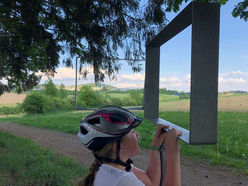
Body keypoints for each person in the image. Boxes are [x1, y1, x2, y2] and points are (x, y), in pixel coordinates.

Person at [78, 106, 182, 186]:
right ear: (117, 147)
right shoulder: (122, 179)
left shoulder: (111, 167)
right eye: (132, 132)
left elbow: (151, 182)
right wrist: (173, 153)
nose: (137, 134)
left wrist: (155, 146)